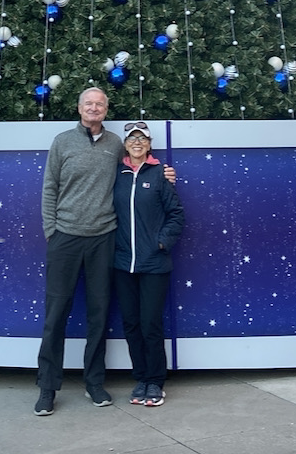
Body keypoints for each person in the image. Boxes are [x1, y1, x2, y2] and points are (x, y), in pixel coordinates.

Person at [34, 88, 176, 416]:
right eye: (88, 103)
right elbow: (49, 187)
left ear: (106, 110)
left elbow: (141, 166)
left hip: (103, 240)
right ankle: (47, 387)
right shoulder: (62, 142)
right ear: (79, 108)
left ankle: (94, 383)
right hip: (65, 238)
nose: (94, 108)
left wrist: (166, 175)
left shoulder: (115, 143)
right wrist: (51, 232)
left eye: (99, 104)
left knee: (99, 315)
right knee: (56, 315)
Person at [113, 120, 184, 407]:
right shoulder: (115, 173)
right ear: (126, 144)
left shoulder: (159, 175)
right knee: (131, 323)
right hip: (121, 263)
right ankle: (140, 378)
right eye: (132, 138)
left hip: (154, 264)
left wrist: (161, 242)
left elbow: (176, 215)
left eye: (143, 138)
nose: (137, 142)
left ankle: (155, 381)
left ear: (150, 144)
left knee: (150, 323)